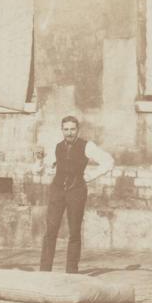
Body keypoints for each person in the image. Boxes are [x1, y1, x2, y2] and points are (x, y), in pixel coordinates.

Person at [40, 115, 114, 273]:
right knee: (51, 230)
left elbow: (108, 161)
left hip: (76, 192)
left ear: (78, 130)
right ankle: (44, 271)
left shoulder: (87, 146)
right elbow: (45, 166)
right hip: (57, 191)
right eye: (66, 129)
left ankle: (71, 271)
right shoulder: (57, 146)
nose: (69, 133)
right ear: (62, 130)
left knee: (74, 231)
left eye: (72, 129)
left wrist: (88, 177)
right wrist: (39, 161)